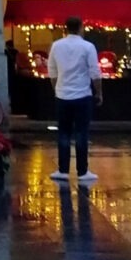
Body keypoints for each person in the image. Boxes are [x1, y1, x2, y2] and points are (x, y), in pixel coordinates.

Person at [47, 16, 103, 183]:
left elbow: (52, 71)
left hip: (62, 95)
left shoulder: (56, 46)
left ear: (65, 28)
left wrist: (57, 89)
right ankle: (82, 171)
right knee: (81, 133)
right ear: (80, 27)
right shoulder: (88, 47)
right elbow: (95, 72)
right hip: (82, 96)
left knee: (63, 132)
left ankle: (63, 170)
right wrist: (99, 92)